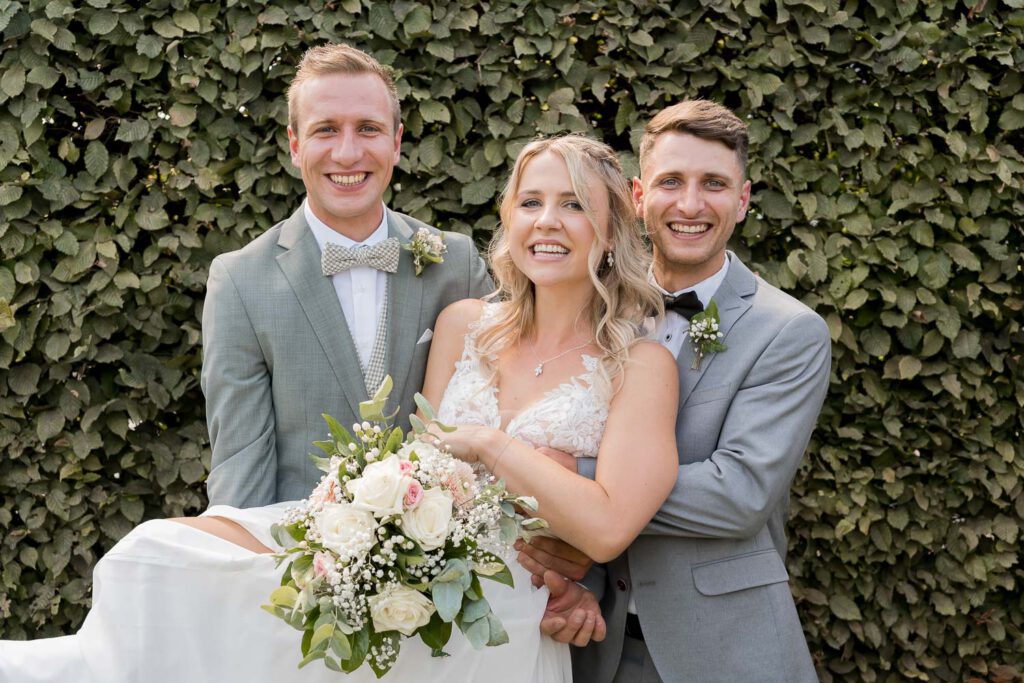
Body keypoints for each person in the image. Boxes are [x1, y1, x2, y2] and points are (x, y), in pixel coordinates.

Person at [0, 135, 679, 683]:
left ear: (611, 227)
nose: (547, 221)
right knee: (154, 552)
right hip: (391, 556)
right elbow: (416, 466)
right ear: (510, 219)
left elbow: (607, 526)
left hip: (499, 606)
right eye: (531, 202)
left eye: (573, 205)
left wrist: (493, 446)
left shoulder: (640, 364)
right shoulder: (466, 323)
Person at [523, 100, 831, 682]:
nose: (690, 205)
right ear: (639, 197)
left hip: (724, 648)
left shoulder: (788, 330)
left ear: (741, 200)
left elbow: (739, 491)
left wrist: (570, 479)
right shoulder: (589, 314)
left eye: (713, 184)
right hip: (596, 641)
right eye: (671, 183)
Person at [201, 43, 491, 509]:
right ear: (295, 146)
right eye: (326, 130)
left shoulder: (455, 264)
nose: (347, 152)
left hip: (448, 564)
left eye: (369, 129)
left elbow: (502, 418)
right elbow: (242, 468)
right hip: (299, 567)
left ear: (395, 143)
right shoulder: (240, 282)